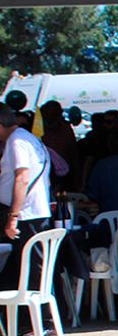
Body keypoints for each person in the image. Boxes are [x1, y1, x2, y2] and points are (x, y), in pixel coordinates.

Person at [0, 104, 53, 294]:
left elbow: (22, 178)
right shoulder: (31, 139)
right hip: (35, 210)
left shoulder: (17, 142)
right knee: (33, 266)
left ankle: (37, 317)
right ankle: (39, 316)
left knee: (29, 267)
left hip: (26, 214)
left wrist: (12, 216)